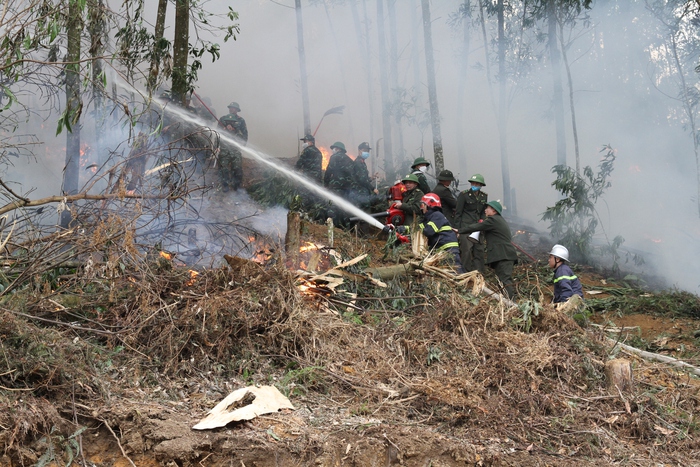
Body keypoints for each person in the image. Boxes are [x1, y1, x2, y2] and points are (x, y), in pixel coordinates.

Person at [458, 200, 518, 298]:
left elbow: (477, 226)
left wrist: (460, 230)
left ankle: (510, 304)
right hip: (504, 255)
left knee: (504, 281)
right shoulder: (499, 220)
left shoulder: (493, 220)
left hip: (503, 255)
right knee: (502, 281)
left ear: (494, 211)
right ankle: (506, 304)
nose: (485, 210)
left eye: (487, 208)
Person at [393, 193, 465, 274]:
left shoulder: (437, 215)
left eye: (422, 204)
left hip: (449, 250)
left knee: (455, 271)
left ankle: (466, 285)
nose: (421, 207)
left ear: (429, 205)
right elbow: (416, 228)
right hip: (441, 251)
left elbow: (428, 231)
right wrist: (400, 229)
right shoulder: (428, 218)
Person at [454, 174, 488, 273]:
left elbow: (483, 212)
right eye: (473, 183)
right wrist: (457, 230)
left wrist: (482, 220)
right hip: (466, 227)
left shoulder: (484, 196)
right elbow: (458, 213)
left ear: (481, 185)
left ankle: (479, 273)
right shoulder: (464, 195)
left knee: (479, 251)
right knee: (466, 251)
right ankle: (465, 272)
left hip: (478, 228)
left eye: (477, 183)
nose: (474, 185)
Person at [217, 101, 248, 192]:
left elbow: (244, 134)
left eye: (234, 108)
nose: (232, 109)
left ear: (237, 110)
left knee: (237, 168)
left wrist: (242, 145)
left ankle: (237, 187)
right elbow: (217, 133)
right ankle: (225, 186)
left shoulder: (241, 121)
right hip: (224, 148)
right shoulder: (222, 119)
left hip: (235, 148)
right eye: (230, 107)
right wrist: (217, 146)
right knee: (223, 168)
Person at [324, 142, 354, 226]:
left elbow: (328, 172)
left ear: (338, 149)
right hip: (346, 189)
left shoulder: (334, 157)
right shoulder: (349, 160)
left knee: (332, 206)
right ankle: (346, 228)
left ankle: (332, 227)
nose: (333, 150)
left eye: (334, 148)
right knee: (344, 208)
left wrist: (326, 184)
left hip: (335, 187)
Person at [350, 142, 379, 209]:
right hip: (360, 193)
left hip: (363, 192)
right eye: (364, 150)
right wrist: (373, 188)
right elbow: (362, 180)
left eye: (367, 151)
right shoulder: (358, 163)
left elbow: (364, 178)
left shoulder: (362, 163)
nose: (366, 152)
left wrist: (372, 178)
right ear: (359, 151)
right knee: (365, 211)